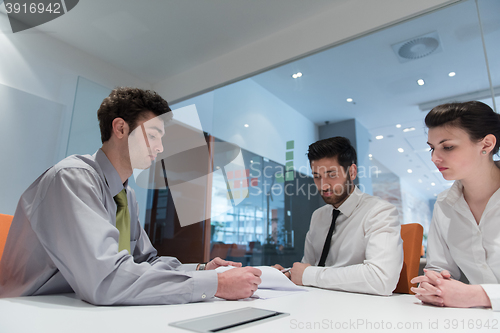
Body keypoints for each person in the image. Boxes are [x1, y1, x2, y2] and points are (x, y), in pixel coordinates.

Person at [0, 87, 261, 305]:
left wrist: (202, 270)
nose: (160, 148)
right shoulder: (73, 179)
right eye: (154, 135)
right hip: (29, 310)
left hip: (80, 308)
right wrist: (215, 284)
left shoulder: (126, 196)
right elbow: (107, 280)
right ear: (121, 129)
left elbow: (146, 262)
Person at [275, 137, 403, 296]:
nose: (323, 185)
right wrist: (287, 274)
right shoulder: (319, 216)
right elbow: (306, 268)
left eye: (331, 174)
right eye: (317, 176)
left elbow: (382, 279)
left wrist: (309, 274)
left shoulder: (380, 212)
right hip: (315, 302)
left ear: (352, 171)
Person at [411, 101, 499, 311]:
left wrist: (479, 295)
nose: (434, 158)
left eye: (448, 146)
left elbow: (473, 295)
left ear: (486, 144)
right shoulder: (444, 205)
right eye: (432, 148)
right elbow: (439, 268)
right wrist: (434, 282)